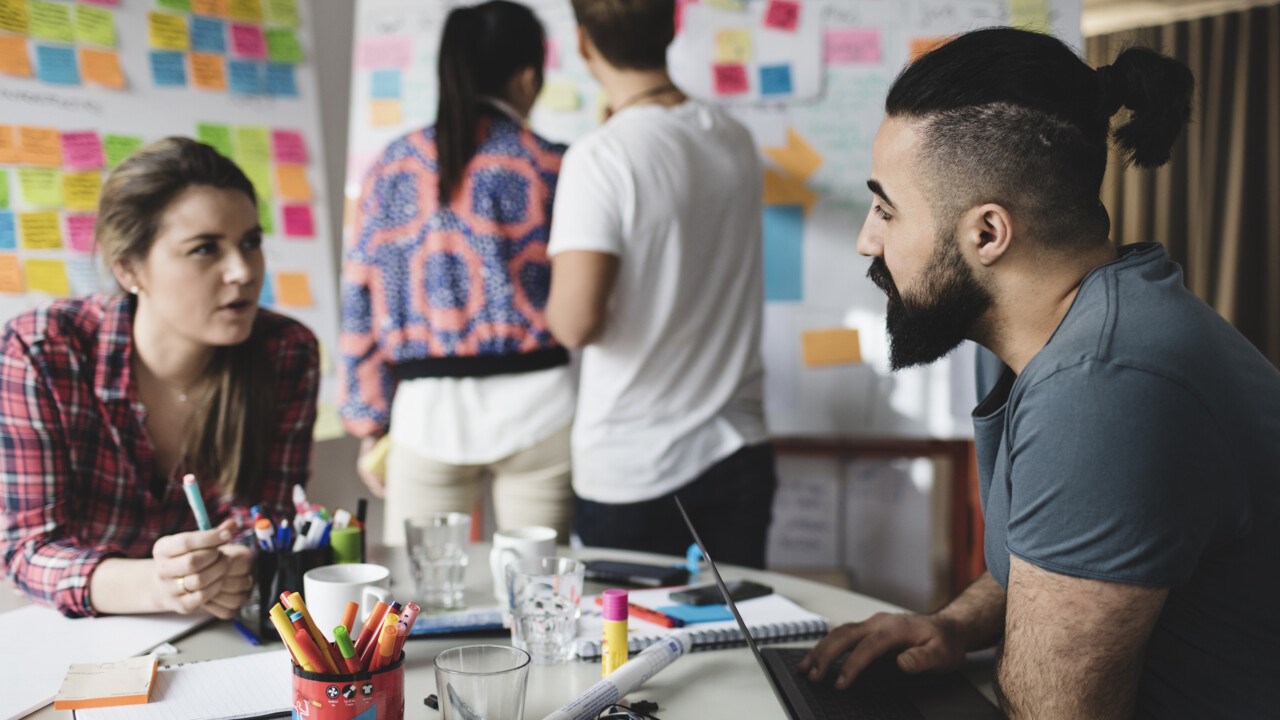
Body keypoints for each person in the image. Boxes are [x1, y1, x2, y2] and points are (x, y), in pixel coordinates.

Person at [798, 28, 1280, 718]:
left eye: (886, 209)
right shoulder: (1054, 329)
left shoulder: (1106, 384)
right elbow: (1074, 555)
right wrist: (956, 625)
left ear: (987, 234)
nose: (866, 241)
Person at [0, 137, 320, 618]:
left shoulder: (287, 353)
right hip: (86, 635)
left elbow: (265, 517)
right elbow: (28, 547)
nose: (242, 271)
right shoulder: (40, 352)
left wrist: (233, 564)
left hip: (218, 627)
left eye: (250, 243)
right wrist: (157, 584)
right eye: (205, 249)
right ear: (130, 268)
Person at [546, 0, 774, 568]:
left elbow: (575, 323)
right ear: (673, 26)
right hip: (738, 446)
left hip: (638, 464)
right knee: (734, 650)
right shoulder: (735, 138)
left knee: (625, 654)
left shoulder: (600, 156)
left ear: (582, 43)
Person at [340, 0, 574, 544]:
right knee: (540, 602)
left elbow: (360, 298)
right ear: (527, 77)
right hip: (541, 405)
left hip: (426, 413)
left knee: (418, 607)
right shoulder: (554, 163)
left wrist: (368, 419)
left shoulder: (393, 164)